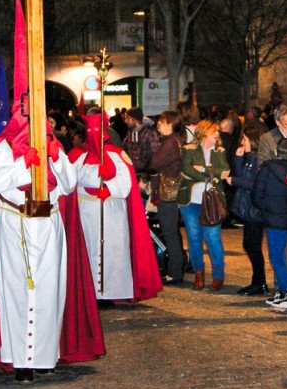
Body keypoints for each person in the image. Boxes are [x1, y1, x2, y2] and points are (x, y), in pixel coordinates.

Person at [0, 0, 103, 382]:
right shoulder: (0, 148)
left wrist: (51, 156)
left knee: (49, 290)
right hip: (14, 222)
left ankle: (44, 354)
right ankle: (20, 360)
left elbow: (67, 185)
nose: (33, 116)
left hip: (49, 225)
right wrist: (22, 161)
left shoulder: (54, 143)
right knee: (16, 289)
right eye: (27, 108)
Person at [71, 112, 161, 304]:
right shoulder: (78, 155)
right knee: (89, 249)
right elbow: (70, 179)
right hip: (87, 210)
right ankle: (90, 291)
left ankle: (109, 292)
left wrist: (108, 189)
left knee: (112, 250)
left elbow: (125, 182)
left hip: (112, 211)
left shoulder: (118, 155)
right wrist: (94, 174)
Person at [177, 120, 230, 291]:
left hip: (213, 201)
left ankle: (218, 275)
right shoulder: (188, 149)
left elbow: (224, 172)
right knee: (194, 238)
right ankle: (198, 273)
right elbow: (186, 170)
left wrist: (202, 170)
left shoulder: (220, 151)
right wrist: (208, 173)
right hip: (191, 201)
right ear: (204, 132)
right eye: (214, 131)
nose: (217, 135)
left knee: (213, 238)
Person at [254, 153, 287, 309]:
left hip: (273, 219)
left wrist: (267, 209)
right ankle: (283, 290)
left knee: (276, 257)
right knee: (280, 255)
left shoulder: (266, 169)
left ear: (275, 152)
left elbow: (257, 194)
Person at [227, 119, 268, 296]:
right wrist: (238, 157)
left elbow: (253, 183)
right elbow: (240, 172)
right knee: (250, 244)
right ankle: (258, 281)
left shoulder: (259, 160)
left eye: (244, 139)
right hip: (249, 207)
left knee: (252, 245)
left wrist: (234, 181)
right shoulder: (250, 158)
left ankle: (259, 282)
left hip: (255, 208)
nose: (242, 142)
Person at [147, 111, 186, 286]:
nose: (159, 125)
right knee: (173, 232)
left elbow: (154, 162)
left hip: (167, 193)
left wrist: (148, 165)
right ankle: (177, 268)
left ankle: (175, 272)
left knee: (170, 232)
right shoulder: (176, 140)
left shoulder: (170, 142)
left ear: (170, 124)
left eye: (162, 122)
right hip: (171, 191)